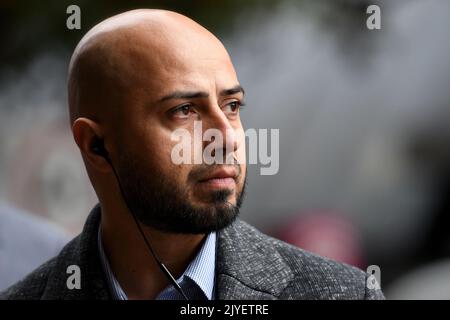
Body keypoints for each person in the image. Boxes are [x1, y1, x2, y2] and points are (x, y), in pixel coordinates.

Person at [0, 9, 384, 300]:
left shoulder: (345, 294)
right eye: (184, 110)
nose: (227, 138)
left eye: (232, 106)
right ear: (95, 144)